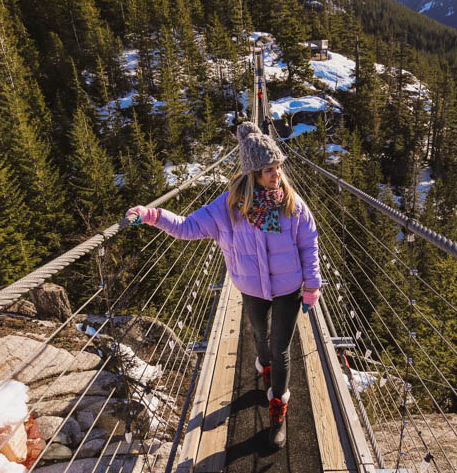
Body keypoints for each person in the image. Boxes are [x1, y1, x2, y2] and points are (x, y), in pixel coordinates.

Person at [126, 122, 321, 450]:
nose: (277, 175)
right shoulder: (227, 207)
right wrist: (152, 215)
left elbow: (309, 242)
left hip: (289, 287)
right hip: (252, 288)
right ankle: (265, 370)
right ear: (253, 174)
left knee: (280, 346)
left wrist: (312, 285)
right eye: (269, 170)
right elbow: (188, 227)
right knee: (261, 338)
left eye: (278, 168)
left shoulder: (291, 202)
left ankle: (278, 412)